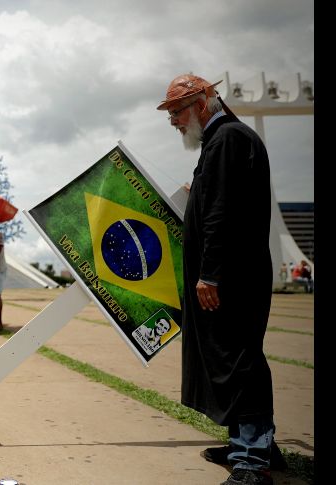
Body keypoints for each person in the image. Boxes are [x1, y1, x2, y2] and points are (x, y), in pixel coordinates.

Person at [158, 73, 283, 485]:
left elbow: (221, 215)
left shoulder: (228, 139)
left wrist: (209, 274)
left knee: (239, 362)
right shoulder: (221, 143)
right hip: (229, 277)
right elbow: (216, 201)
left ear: (201, 103)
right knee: (229, 361)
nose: (173, 121)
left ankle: (253, 459)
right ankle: (246, 444)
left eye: (176, 112)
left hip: (232, 279)